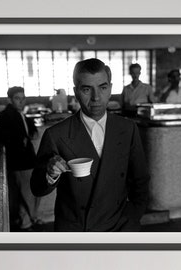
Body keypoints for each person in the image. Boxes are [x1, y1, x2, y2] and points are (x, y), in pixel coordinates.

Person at [30, 58, 150, 232]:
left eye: (102, 87)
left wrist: (133, 218)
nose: (96, 97)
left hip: (120, 226)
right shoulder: (57, 134)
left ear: (110, 88)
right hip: (77, 230)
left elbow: (141, 180)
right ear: (76, 92)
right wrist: (50, 173)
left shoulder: (127, 128)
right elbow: (37, 188)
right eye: (87, 89)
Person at [0, 86, 42, 232]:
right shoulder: (7, 115)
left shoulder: (19, 113)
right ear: (10, 100)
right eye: (17, 98)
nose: (21, 101)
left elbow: (30, 128)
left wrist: (28, 135)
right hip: (20, 161)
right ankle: (28, 221)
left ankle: (26, 222)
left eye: (23, 98)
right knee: (28, 193)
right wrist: (19, 142)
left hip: (27, 160)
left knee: (26, 193)